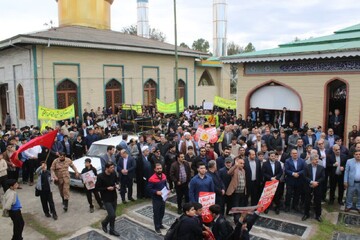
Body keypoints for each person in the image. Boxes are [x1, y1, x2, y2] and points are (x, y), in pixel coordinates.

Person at [96, 162, 120, 236]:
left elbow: (117, 180)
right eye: (111, 168)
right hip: (106, 198)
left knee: (112, 215)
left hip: (113, 196)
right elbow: (97, 188)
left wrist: (117, 184)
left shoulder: (113, 173)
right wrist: (107, 188)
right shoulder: (100, 176)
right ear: (107, 168)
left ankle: (111, 229)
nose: (113, 169)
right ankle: (104, 223)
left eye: (113, 167)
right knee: (112, 215)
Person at [302, 154, 325, 222]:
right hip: (309, 186)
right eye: (315, 159)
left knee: (318, 201)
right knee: (307, 201)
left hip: (318, 186)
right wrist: (312, 182)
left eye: (317, 159)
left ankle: (318, 215)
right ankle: (306, 214)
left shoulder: (321, 167)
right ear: (311, 160)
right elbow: (305, 176)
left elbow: (323, 177)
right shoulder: (307, 167)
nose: (317, 160)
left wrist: (316, 183)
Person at [147, 163, 167, 234]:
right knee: (156, 213)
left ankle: (160, 223)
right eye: (158, 169)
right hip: (156, 198)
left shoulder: (164, 176)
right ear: (155, 169)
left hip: (163, 197)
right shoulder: (152, 179)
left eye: (160, 168)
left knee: (162, 212)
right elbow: (149, 189)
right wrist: (156, 192)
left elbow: (165, 185)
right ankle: (157, 227)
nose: (159, 170)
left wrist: (167, 190)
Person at [226, 157, 247, 223]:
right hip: (236, 192)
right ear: (238, 163)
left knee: (240, 206)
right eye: (241, 163)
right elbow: (229, 172)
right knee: (236, 206)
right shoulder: (235, 169)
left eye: (243, 163)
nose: (242, 165)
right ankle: (236, 220)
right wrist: (235, 165)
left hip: (242, 192)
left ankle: (239, 219)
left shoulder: (243, 170)